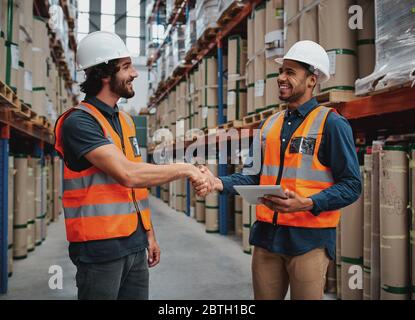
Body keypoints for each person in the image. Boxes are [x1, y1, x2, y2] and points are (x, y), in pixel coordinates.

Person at [196, 40, 362, 300]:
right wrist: (217, 182)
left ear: (312, 80)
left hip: (309, 240)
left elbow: (352, 185)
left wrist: (308, 203)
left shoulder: (331, 124)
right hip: (267, 239)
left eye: (291, 72)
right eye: (281, 71)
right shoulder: (268, 125)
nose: (281, 78)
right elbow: (252, 175)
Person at [54, 31, 209, 300]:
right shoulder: (78, 123)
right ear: (105, 74)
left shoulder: (124, 121)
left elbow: (137, 187)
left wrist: (148, 234)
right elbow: (128, 174)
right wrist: (186, 168)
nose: (134, 74)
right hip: (99, 250)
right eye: (126, 67)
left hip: (134, 245)